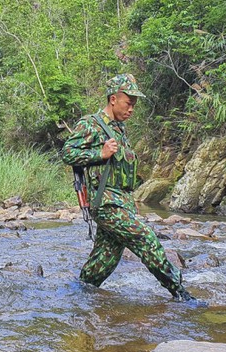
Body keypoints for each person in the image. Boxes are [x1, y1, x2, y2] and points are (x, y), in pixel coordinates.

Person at [61, 74, 206, 305]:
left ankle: (78, 294)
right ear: (113, 100)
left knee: (105, 258)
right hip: (106, 203)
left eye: (134, 105)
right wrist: (100, 153)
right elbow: (67, 153)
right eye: (128, 104)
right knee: (146, 238)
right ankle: (181, 294)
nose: (131, 109)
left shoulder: (120, 129)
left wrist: (131, 201)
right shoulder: (91, 124)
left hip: (122, 203)